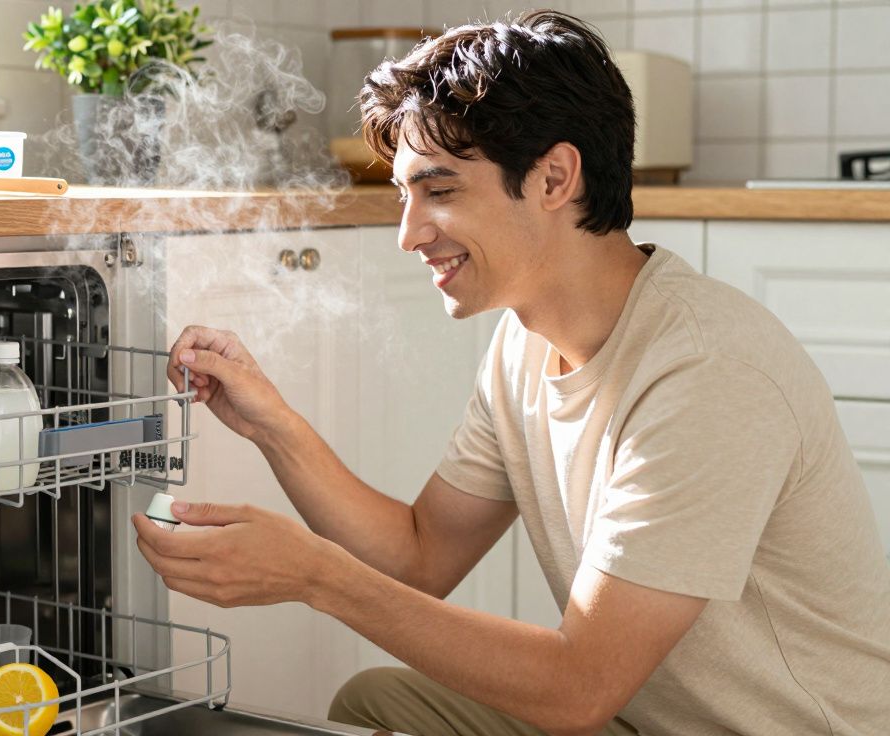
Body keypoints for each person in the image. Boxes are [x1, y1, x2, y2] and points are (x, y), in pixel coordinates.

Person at [131, 10, 890, 735]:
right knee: (379, 701)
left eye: (439, 190)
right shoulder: (523, 345)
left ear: (555, 179)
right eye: (404, 195)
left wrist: (317, 577)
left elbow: (579, 689)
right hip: (650, 719)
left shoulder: (705, 370)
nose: (408, 233)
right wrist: (277, 427)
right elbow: (422, 556)